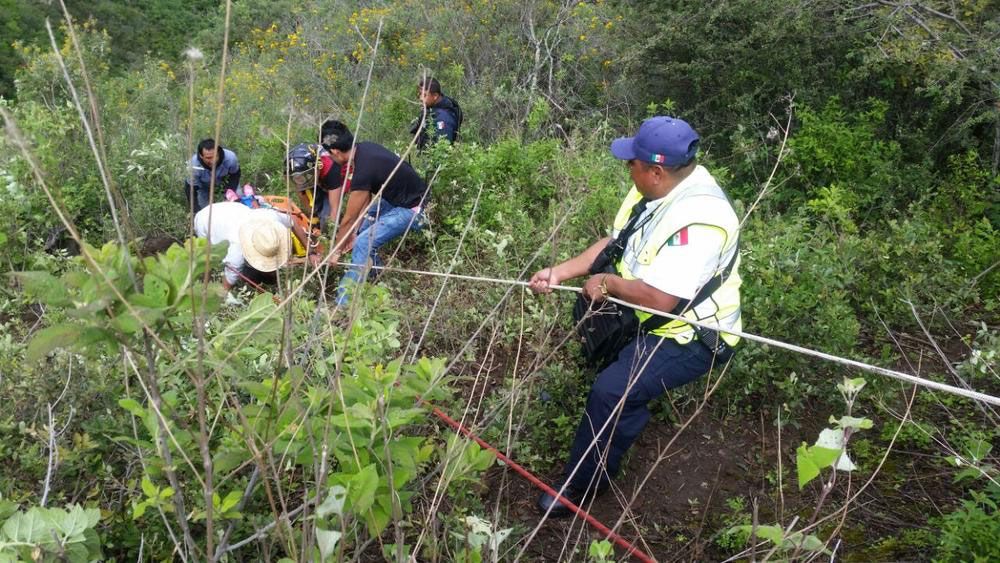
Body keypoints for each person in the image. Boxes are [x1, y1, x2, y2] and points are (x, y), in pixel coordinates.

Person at [528, 116, 742, 516]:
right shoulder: (655, 190)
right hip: (644, 313)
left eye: (633, 163)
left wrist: (606, 283)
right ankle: (608, 392)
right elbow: (617, 241)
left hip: (691, 335)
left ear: (656, 171)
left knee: (612, 392)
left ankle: (582, 484)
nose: (628, 168)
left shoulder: (700, 221)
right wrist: (561, 272)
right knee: (597, 335)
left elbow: (660, 299)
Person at [320, 120, 428, 306]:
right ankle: (374, 273)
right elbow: (365, 202)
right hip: (402, 199)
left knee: (363, 242)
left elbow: (348, 219)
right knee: (362, 230)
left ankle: (342, 304)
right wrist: (353, 232)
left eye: (330, 155)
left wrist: (335, 251)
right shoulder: (365, 149)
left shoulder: (363, 170)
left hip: (416, 210)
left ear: (335, 152)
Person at [193, 201, 320, 290]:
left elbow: (293, 222)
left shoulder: (272, 218)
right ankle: (204, 288)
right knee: (207, 261)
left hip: (232, 210)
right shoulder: (236, 253)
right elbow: (225, 288)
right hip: (206, 220)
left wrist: (311, 252)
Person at [285, 141, 346, 231]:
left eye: (302, 177)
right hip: (315, 178)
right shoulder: (296, 171)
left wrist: (329, 230)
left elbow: (334, 207)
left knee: (327, 217)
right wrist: (313, 217)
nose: (300, 180)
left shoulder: (331, 168)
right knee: (316, 210)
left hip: (335, 182)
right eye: (297, 178)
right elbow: (302, 193)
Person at [185, 138, 241, 214]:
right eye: (208, 158)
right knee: (205, 213)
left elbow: (235, 175)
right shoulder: (193, 165)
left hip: (226, 183)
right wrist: (196, 210)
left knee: (237, 205)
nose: (213, 161)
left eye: (215, 156)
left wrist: (229, 194)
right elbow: (191, 189)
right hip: (204, 187)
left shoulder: (230, 158)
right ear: (201, 156)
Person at [411, 77, 462, 150]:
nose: (421, 98)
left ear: (435, 96)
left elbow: (443, 149)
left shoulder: (443, 118)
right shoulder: (431, 108)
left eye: (425, 95)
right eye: (420, 94)